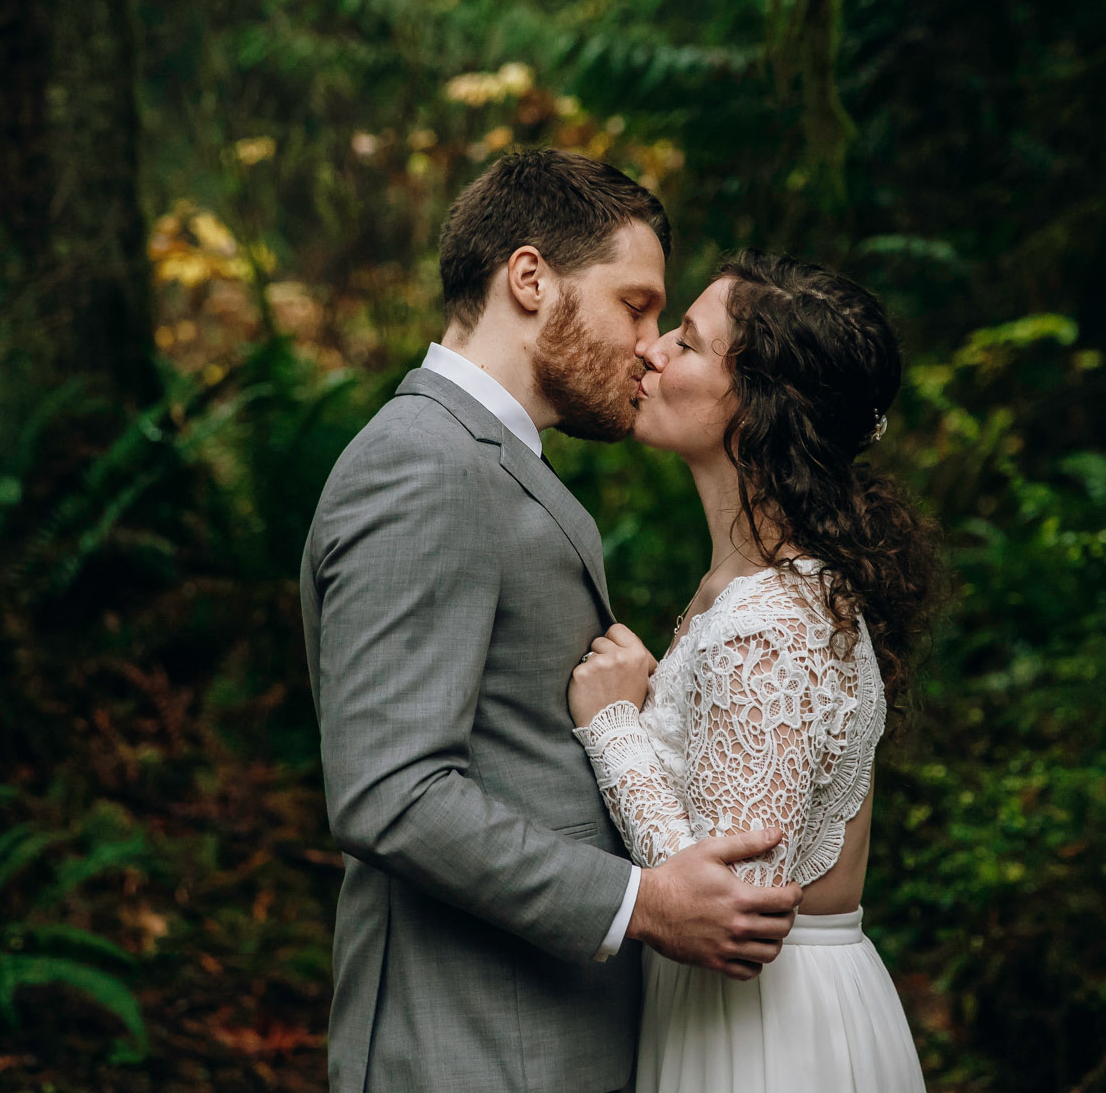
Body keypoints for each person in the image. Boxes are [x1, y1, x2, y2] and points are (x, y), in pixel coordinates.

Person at [300, 150, 805, 1093]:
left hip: (534, 1034)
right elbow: (389, 790)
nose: (652, 344)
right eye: (637, 305)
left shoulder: (487, 459)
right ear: (529, 279)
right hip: (469, 1044)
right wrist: (640, 903)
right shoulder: (422, 465)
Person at [567, 250, 945, 1093]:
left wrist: (612, 729)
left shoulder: (770, 617)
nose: (652, 351)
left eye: (689, 343)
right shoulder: (749, 589)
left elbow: (739, 911)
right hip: (743, 1019)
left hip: (767, 1039)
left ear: (760, 408)